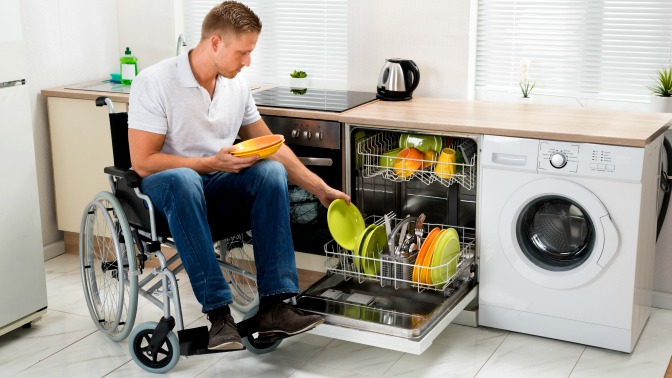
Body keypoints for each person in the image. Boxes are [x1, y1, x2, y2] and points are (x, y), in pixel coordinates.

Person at [127, 1, 350, 351]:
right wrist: (208, 164)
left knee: (270, 171)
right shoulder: (155, 81)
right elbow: (143, 162)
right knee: (185, 181)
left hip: (215, 185)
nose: (247, 62)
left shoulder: (236, 86)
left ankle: (275, 306)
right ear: (215, 43)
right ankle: (219, 316)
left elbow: (270, 146)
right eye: (242, 52)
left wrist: (320, 189)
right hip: (166, 185)